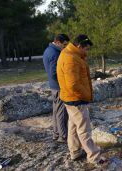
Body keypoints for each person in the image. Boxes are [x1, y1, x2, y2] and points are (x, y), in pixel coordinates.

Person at [57, 35, 102, 164]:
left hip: (70, 98)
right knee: (84, 129)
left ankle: (75, 151)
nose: (86, 52)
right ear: (79, 46)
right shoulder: (71, 58)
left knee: (73, 126)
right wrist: (86, 95)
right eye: (86, 49)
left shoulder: (70, 54)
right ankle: (94, 156)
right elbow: (72, 84)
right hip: (76, 99)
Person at [43, 34, 70, 143]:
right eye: (64, 45)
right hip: (59, 87)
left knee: (56, 111)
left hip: (53, 86)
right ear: (58, 42)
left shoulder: (48, 50)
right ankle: (63, 136)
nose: (65, 47)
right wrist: (63, 83)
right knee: (61, 112)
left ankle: (56, 133)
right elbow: (54, 72)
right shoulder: (55, 53)